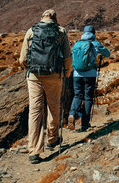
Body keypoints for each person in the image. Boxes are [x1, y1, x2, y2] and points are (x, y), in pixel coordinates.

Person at [19, 9, 71, 164]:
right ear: (55, 19)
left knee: (35, 110)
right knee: (53, 106)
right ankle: (52, 139)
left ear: (42, 18)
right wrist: (66, 73)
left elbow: (22, 58)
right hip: (54, 75)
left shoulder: (31, 31)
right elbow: (68, 57)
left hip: (34, 75)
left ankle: (34, 150)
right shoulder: (61, 31)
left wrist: (29, 68)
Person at [68, 25, 110, 132]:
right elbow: (107, 53)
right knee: (87, 97)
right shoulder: (95, 43)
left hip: (77, 74)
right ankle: (85, 124)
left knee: (77, 95)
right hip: (90, 74)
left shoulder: (77, 43)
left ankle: (72, 113)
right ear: (93, 33)